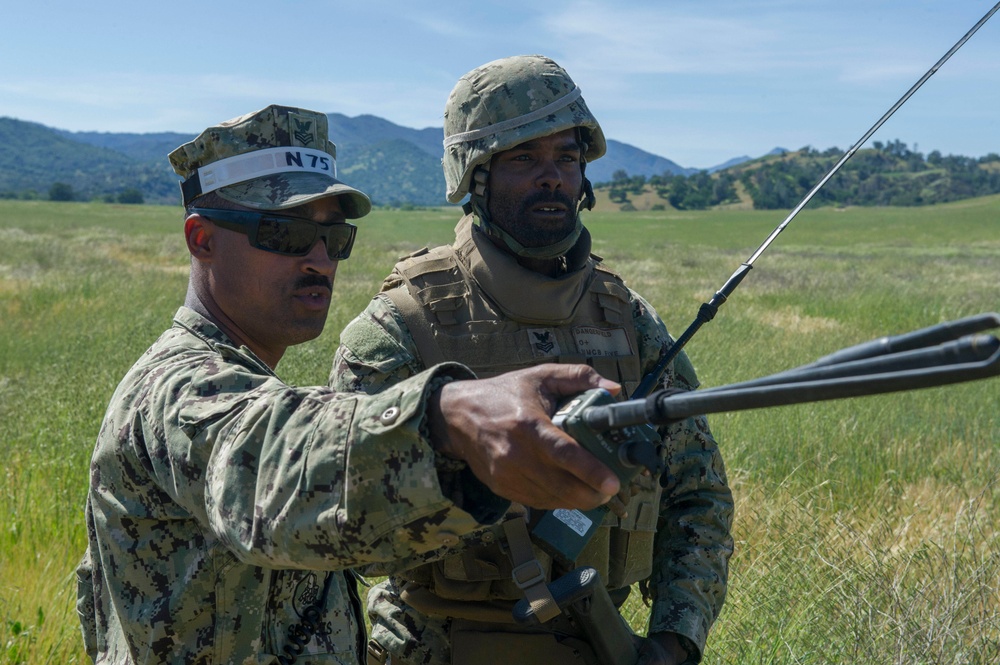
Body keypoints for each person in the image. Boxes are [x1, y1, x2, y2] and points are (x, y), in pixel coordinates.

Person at [75, 104, 627, 665]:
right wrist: (448, 418)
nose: (319, 259)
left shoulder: (248, 374)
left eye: (334, 238)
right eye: (286, 234)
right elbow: (269, 459)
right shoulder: (175, 387)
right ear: (202, 239)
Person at [330, 56, 735, 665]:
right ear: (476, 175)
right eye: (524, 158)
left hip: (595, 643)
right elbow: (343, 525)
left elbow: (698, 498)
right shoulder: (403, 326)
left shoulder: (626, 322)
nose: (552, 177)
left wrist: (676, 641)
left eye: (566, 158)